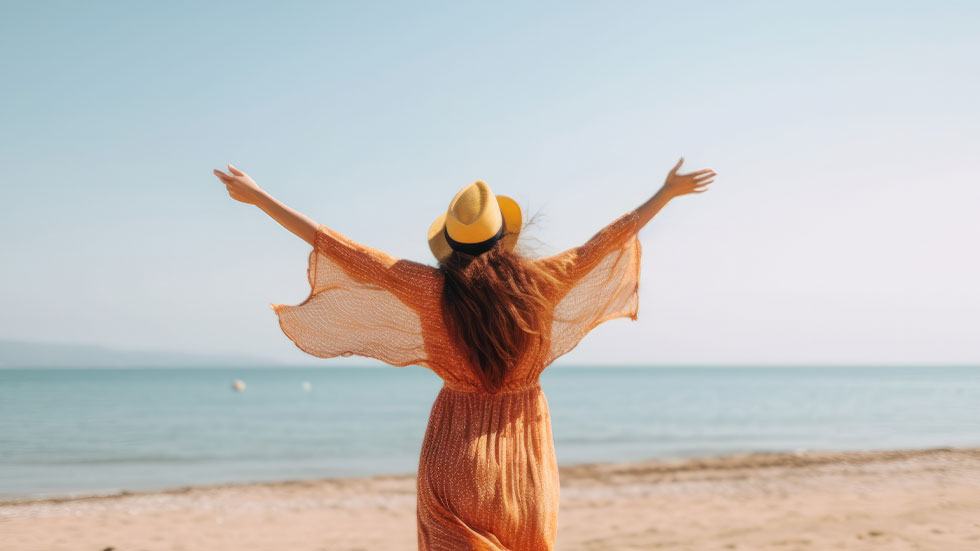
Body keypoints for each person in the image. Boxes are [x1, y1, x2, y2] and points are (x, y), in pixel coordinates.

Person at [212, 158, 716, 550]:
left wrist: (260, 198)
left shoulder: (428, 288)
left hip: (455, 449)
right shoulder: (540, 282)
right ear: (505, 238)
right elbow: (606, 242)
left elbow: (342, 248)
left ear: (450, 243)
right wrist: (666, 194)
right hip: (524, 454)